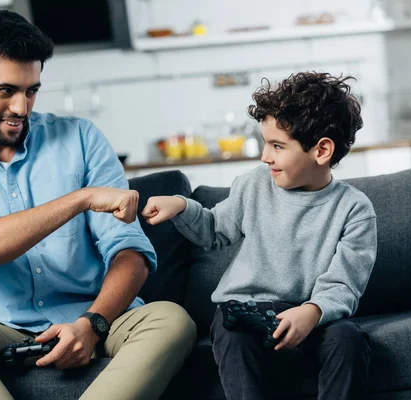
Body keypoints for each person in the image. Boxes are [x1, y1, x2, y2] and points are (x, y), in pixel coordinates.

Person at [0, 10, 196, 400]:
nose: (21, 108)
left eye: (31, 90)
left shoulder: (81, 138)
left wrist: (93, 324)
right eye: (5, 90)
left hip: (98, 316)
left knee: (171, 319)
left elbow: (130, 251)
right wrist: (79, 199)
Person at [141, 72, 377, 400]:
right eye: (266, 142)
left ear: (321, 151)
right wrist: (181, 206)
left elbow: (344, 283)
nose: (265, 156)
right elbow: (213, 230)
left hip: (311, 314)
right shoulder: (254, 184)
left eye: (277, 145)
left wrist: (311, 312)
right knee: (229, 332)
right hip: (244, 311)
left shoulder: (354, 209)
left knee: (348, 340)